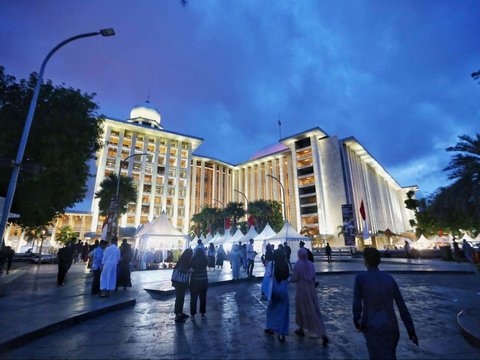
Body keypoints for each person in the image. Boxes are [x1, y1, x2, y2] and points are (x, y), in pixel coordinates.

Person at [353, 247, 418, 359]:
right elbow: (401, 306)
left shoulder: (360, 279)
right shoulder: (389, 279)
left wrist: (357, 321)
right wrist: (410, 329)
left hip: (372, 327)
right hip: (391, 327)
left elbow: (356, 304)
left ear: (366, 261)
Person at [291, 248, 328, 345]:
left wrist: (289, 278)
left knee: (302, 309)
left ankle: (306, 329)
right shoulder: (311, 264)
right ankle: (308, 329)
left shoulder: (298, 264)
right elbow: (313, 277)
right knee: (314, 309)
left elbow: (294, 278)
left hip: (302, 290)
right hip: (311, 290)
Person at [265, 248, 290, 342]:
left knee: (272, 310)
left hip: (274, 290)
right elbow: (288, 277)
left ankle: (271, 328)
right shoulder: (285, 264)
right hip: (283, 289)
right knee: (283, 312)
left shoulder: (271, 264)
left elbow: (267, 276)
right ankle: (281, 333)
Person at [172, 248, 193, 322]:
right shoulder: (184, 261)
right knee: (179, 298)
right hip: (179, 282)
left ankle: (179, 313)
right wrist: (189, 271)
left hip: (178, 282)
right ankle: (177, 314)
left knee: (181, 297)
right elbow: (181, 269)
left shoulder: (183, 259)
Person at [189, 247, 209, 320]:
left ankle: (192, 315)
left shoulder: (193, 259)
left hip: (194, 281)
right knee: (203, 298)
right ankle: (203, 314)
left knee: (193, 299)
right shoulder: (206, 259)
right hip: (204, 281)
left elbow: (191, 268)